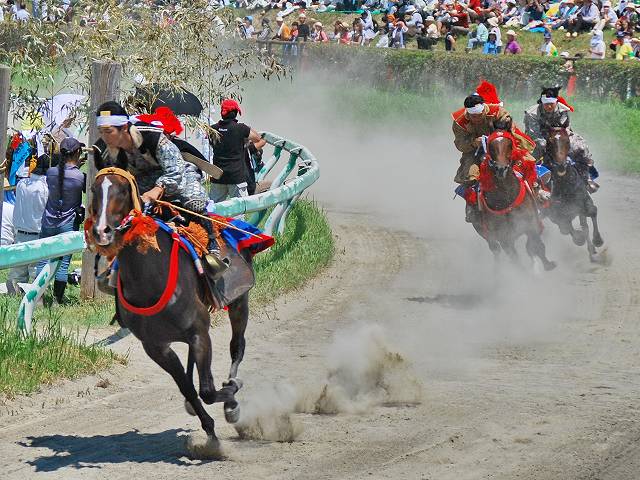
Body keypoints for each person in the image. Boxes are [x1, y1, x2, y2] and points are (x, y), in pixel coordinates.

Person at [92, 101, 227, 278]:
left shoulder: (152, 136)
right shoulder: (103, 151)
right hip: (140, 182)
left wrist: (158, 189)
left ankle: (212, 246)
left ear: (124, 127)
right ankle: (117, 262)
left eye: (108, 131)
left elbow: (175, 169)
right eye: (101, 132)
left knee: (194, 202)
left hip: (177, 173)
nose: (104, 137)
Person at [36, 137, 86, 304]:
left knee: (42, 259)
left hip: (48, 222)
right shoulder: (80, 176)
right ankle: (58, 299)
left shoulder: (51, 172)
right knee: (63, 264)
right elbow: (78, 182)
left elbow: (62, 176)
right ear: (77, 152)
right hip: (68, 224)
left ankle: (38, 298)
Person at [524, 87, 598, 192]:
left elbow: (565, 128)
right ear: (542, 102)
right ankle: (530, 180)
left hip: (560, 135)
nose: (549, 106)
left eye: (551, 104)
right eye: (546, 104)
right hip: (539, 137)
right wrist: (547, 141)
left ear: (556, 102)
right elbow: (534, 133)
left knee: (580, 146)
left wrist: (560, 140)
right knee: (538, 148)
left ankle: (587, 177)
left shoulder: (563, 110)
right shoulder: (532, 113)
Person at [7, 155, 49, 294]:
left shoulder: (21, 184)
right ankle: (37, 298)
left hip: (19, 233)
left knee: (17, 271)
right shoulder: (45, 188)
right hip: (36, 234)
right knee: (36, 272)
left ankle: (14, 295)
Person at [209, 99, 262, 204]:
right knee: (240, 208)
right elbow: (257, 138)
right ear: (235, 113)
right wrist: (247, 128)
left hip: (218, 176)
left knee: (212, 208)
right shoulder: (240, 128)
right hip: (236, 177)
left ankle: (209, 216)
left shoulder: (212, 129)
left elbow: (211, 143)